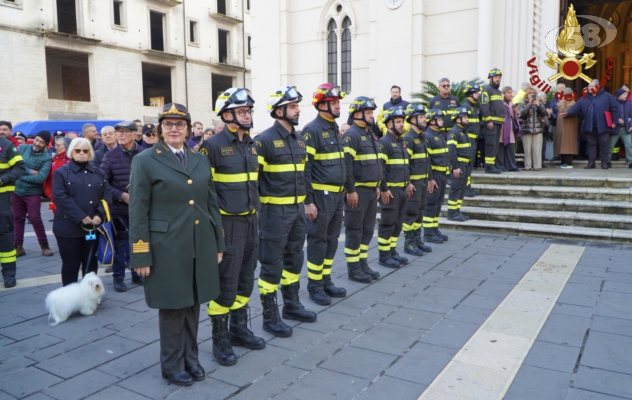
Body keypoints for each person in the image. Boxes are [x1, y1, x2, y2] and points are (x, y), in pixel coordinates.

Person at [130, 103, 225, 387]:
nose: (174, 129)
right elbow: (137, 210)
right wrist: (140, 254)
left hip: (199, 244)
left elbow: (211, 204)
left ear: (187, 129)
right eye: (168, 124)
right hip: (165, 248)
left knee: (193, 303)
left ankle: (191, 359)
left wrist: (218, 242)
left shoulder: (199, 159)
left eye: (180, 124)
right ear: (160, 129)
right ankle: (171, 365)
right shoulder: (146, 160)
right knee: (173, 307)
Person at [199, 88, 265, 366]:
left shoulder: (251, 144)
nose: (247, 115)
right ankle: (220, 338)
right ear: (227, 115)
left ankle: (239, 329)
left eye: (248, 111)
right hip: (228, 223)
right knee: (226, 281)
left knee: (245, 278)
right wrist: (215, 229)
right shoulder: (212, 146)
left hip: (251, 221)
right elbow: (204, 192)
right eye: (241, 111)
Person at [301, 84, 348, 305]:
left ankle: (325, 280)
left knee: (331, 240)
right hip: (320, 196)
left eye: (338, 102)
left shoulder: (333, 128)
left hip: (336, 195)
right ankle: (315, 286)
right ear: (321, 105)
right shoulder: (312, 130)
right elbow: (305, 169)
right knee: (318, 241)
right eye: (334, 102)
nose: (338, 105)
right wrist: (308, 201)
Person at [52, 138, 111, 286]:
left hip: (93, 227)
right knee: (71, 264)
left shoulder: (99, 172)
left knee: (90, 264)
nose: (81, 153)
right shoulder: (61, 173)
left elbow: (107, 196)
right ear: (71, 151)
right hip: (68, 228)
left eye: (85, 150)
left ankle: (90, 298)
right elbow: (60, 197)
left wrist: (99, 214)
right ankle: (69, 299)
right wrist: (81, 217)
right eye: (78, 150)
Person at [99, 121, 144, 292]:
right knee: (120, 245)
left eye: (125, 132)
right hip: (118, 209)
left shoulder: (144, 153)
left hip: (139, 208)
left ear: (134, 134)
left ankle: (137, 273)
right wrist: (122, 195)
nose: (121, 135)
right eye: (119, 132)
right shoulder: (110, 156)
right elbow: (102, 183)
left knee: (138, 242)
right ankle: (118, 277)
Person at [342, 96, 382, 282]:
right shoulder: (352, 135)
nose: (372, 116)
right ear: (357, 114)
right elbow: (347, 166)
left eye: (372, 112)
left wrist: (378, 186)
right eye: (368, 113)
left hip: (371, 190)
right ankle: (353, 268)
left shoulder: (369, 134)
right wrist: (350, 190)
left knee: (367, 230)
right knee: (354, 230)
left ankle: (362, 263)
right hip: (357, 192)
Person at [378, 107, 414, 268]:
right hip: (390, 192)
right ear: (389, 124)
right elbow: (381, 169)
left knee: (398, 223)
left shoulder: (401, 143)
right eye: (398, 122)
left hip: (402, 190)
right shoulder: (384, 143)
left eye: (402, 122)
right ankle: (384, 255)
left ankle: (392, 251)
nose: (402, 125)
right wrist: (384, 189)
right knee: (388, 223)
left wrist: (408, 183)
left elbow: (404, 166)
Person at [560, 79, 620, 169]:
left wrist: (615, 122)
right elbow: (576, 107)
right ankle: (591, 162)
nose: (589, 88)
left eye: (591, 86)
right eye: (589, 86)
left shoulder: (607, 96)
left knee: (604, 144)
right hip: (590, 125)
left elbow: (615, 109)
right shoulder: (584, 97)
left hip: (603, 125)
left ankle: (605, 162)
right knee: (591, 144)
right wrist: (568, 113)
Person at [13, 130, 53, 258]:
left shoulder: (46, 158)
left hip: (33, 192)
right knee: (17, 218)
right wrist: (31, 171)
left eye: (41, 142)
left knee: (35, 218)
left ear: (46, 144)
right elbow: (14, 166)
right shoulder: (22, 147)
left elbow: (41, 178)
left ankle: (44, 245)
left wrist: (20, 174)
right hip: (16, 190)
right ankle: (18, 246)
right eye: (36, 140)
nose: (37, 143)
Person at [402, 104, 432, 256]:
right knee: (411, 213)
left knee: (420, 212)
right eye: (421, 117)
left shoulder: (422, 137)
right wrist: (407, 183)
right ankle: (409, 243)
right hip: (413, 185)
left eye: (424, 117)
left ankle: (417, 240)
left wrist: (430, 179)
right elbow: (405, 164)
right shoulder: (408, 139)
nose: (424, 120)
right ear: (412, 120)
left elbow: (426, 160)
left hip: (422, 183)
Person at [0, 134, 25, 288]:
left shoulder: (6, 145)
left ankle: (9, 274)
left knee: (4, 236)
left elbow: (20, 168)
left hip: (2, 198)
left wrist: (3, 179)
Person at [422, 109, 449, 244]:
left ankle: (434, 229)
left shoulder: (439, 135)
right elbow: (428, 160)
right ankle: (428, 233)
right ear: (432, 121)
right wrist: (430, 179)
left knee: (438, 204)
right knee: (431, 204)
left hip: (442, 175)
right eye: (440, 119)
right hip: (434, 176)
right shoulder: (428, 136)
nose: (442, 121)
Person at [446, 107, 472, 222]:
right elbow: (451, 151)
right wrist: (455, 167)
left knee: (462, 189)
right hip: (459, 165)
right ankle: (452, 213)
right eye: (465, 117)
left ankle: (457, 211)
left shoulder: (462, 131)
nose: (467, 120)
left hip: (465, 165)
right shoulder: (454, 132)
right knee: (455, 189)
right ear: (457, 119)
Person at [480, 68, 505, 174]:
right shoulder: (487, 90)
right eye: (496, 77)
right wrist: (489, 121)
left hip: (498, 123)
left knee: (494, 145)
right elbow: (484, 106)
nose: (498, 79)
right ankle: (489, 167)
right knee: (490, 145)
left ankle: (492, 165)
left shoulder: (498, 92)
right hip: (491, 123)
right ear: (490, 79)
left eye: (499, 77)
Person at [461, 83, 482, 197]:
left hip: (473, 140)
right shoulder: (466, 107)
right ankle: (465, 188)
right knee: (467, 166)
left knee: (470, 165)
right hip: (468, 141)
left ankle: (467, 187)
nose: (478, 95)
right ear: (470, 94)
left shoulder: (473, 106)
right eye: (475, 93)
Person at [518, 87, 547, 171]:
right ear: (526, 95)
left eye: (533, 93)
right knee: (527, 148)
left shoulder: (539, 102)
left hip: (537, 129)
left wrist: (539, 105)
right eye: (529, 93)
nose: (531, 95)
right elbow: (522, 114)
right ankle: (527, 166)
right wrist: (529, 104)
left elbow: (544, 113)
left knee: (537, 148)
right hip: (527, 128)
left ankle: (537, 165)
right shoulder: (522, 103)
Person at [44, 137, 71, 213]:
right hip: (55, 196)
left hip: (71, 197)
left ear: (66, 145)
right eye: (55, 145)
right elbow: (48, 179)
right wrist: (49, 193)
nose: (56, 148)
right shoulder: (53, 160)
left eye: (58, 145)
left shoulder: (73, 161)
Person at [498, 87, 520, 171]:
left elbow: (516, 117)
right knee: (500, 148)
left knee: (510, 147)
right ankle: (501, 166)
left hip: (510, 129)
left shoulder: (512, 104)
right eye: (508, 92)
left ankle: (511, 166)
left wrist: (516, 111)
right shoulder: (500, 103)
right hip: (501, 128)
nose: (510, 94)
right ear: (503, 94)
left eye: (511, 92)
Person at [555, 87, 578, 168]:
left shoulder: (572, 103)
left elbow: (565, 111)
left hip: (568, 127)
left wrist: (561, 103)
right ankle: (563, 162)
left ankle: (568, 163)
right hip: (562, 127)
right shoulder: (566, 102)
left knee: (567, 145)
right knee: (562, 145)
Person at [609, 89, 632, 167]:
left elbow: (631, 116)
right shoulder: (612, 103)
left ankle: (631, 162)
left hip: (626, 128)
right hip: (615, 128)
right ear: (619, 95)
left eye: (626, 94)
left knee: (629, 145)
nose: (626, 96)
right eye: (624, 94)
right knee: (610, 145)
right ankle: (607, 161)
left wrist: (631, 125)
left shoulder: (628, 104)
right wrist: (617, 120)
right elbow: (608, 114)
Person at [548, 83, 565, 161]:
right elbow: (551, 111)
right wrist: (557, 117)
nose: (560, 89)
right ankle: (556, 155)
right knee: (556, 139)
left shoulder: (567, 99)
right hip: (555, 122)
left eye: (562, 88)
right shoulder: (553, 100)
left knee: (564, 139)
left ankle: (564, 156)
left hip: (565, 122)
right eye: (558, 88)